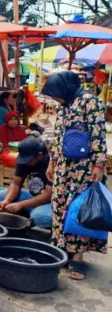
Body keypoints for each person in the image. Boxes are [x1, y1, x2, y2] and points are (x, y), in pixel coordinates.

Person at [42, 70, 108, 281]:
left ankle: (77, 259)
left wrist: (98, 164)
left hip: (84, 167)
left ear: (65, 88)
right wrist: (52, 161)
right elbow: (58, 136)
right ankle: (62, 251)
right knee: (59, 206)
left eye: (55, 93)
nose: (54, 98)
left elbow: (98, 134)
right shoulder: (64, 107)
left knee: (77, 209)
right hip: (62, 166)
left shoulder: (91, 103)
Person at [0, 138, 53, 228]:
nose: (26, 163)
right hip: (33, 196)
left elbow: (49, 195)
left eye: (29, 160)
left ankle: (33, 216)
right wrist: (7, 200)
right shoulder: (24, 160)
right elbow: (16, 184)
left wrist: (20, 205)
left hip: (50, 202)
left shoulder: (51, 164)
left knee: (40, 217)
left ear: (40, 155)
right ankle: (27, 215)